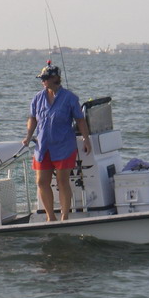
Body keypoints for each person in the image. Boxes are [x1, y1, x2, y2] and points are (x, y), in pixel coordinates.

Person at [22, 63, 91, 221]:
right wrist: (28, 136)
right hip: (43, 146)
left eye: (45, 78)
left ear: (55, 78)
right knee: (41, 181)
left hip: (63, 145)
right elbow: (32, 119)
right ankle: (50, 217)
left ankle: (64, 216)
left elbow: (80, 120)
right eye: (42, 79)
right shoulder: (38, 98)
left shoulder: (70, 98)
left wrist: (86, 139)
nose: (43, 81)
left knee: (62, 181)